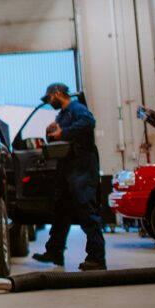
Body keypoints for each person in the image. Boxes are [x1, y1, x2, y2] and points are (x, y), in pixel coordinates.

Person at [32, 82, 107, 271]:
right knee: (61, 212)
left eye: (49, 98)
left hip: (82, 168)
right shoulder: (62, 115)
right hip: (68, 169)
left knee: (86, 211)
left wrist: (63, 132)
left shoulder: (76, 108)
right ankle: (55, 251)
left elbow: (89, 122)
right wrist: (52, 131)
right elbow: (58, 137)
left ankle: (97, 258)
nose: (49, 102)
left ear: (57, 93)